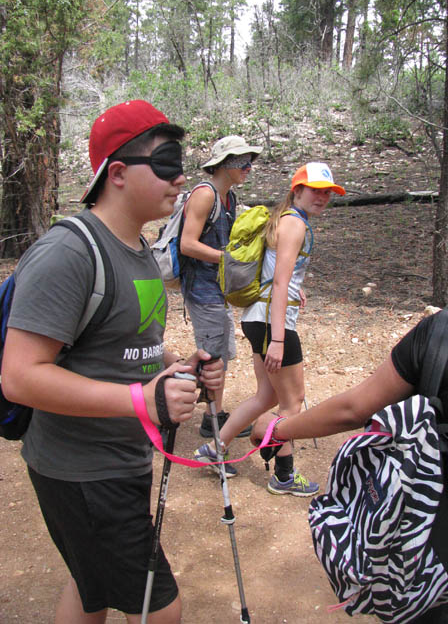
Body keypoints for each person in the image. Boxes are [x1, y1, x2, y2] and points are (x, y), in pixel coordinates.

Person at [1, 99, 224, 624]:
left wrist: (180, 364)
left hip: (119, 462)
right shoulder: (69, 253)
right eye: (167, 162)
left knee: (90, 588)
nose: (181, 177)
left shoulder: (139, 248)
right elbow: (18, 375)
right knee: (160, 609)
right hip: (82, 471)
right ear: (118, 173)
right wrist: (141, 399)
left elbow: (130, 346)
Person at [250, 260, 448, 623]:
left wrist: (278, 428)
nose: (323, 198)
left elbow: (354, 409)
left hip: (438, 544)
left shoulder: (444, 337)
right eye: (319, 195)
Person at [194, 162, 346, 493]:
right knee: (292, 403)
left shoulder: (286, 219)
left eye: (328, 193)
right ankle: (284, 475)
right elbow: (279, 282)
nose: (322, 198)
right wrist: (277, 340)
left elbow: (279, 274)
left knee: (267, 395)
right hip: (271, 324)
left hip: (256, 317)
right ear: (298, 190)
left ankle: (214, 448)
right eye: (316, 191)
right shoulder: (295, 225)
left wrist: (296, 288)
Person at [179, 135, 263, 442]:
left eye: (250, 161)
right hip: (203, 291)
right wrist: (227, 260)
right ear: (224, 163)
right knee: (212, 357)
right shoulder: (205, 195)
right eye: (243, 161)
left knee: (221, 356)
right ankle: (211, 421)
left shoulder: (229, 198)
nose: (248, 167)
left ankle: (213, 414)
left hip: (217, 290)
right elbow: (187, 244)